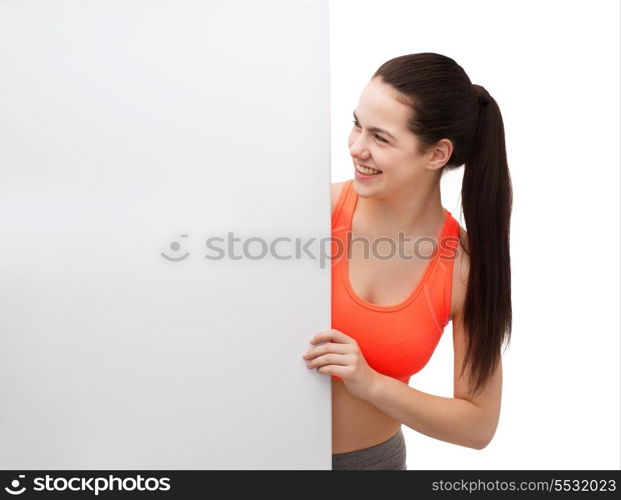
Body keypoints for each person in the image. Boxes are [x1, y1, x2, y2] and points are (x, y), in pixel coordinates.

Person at [301, 53, 512, 470]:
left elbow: (477, 425)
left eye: (381, 138)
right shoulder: (311, 212)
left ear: (436, 155)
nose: (356, 147)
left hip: (370, 466)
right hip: (255, 455)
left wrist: (370, 383)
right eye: (358, 124)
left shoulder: (463, 268)